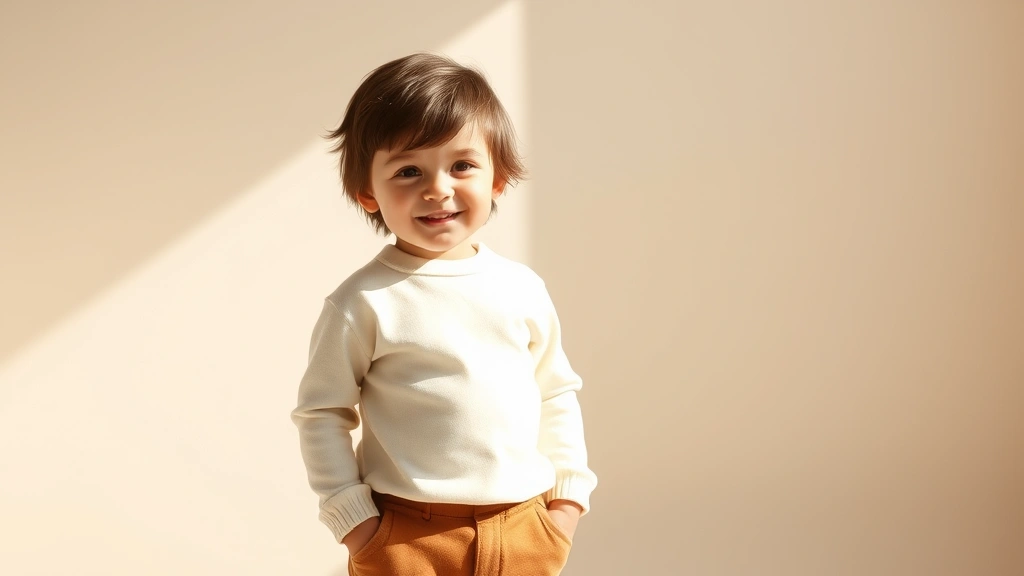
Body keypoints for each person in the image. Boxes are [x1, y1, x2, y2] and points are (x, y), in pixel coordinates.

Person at [291, 52, 597, 576]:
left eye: (462, 165)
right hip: (406, 535)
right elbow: (322, 414)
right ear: (368, 193)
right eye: (409, 170)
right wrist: (358, 527)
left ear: (497, 179)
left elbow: (555, 392)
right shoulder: (363, 301)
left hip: (525, 526)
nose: (438, 188)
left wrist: (565, 507)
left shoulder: (521, 288)